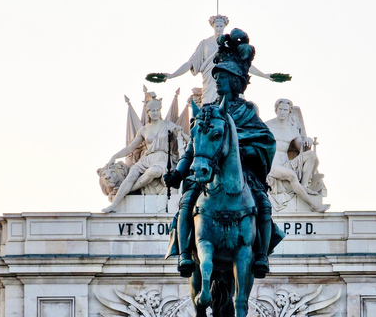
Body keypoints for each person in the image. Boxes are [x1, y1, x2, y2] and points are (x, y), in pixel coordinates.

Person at [165, 29, 283, 279]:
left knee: (262, 203)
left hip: (243, 174)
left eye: (223, 76)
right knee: (186, 202)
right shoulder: (207, 111)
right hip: (207, 173)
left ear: (236, 81)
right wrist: (178, 172)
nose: (217, 81)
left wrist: (241, 151)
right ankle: (185, 252)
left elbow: (266, 142)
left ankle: (261, 255)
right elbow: (193, 147)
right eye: (216, 76)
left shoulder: (248, 111)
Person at [161, 15, 273, 104]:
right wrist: (172, 75)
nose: (219, 29)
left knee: (233, 109)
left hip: (229, 82)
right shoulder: (205, 44)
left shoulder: (229, 44)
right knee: (209, 112)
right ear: (213, 26)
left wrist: (264, 75)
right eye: (217, 26)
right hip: (210, 82)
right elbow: (191, 63)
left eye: (221, 26)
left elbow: (244, 65)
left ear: (225, 26)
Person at [102, 93, 182, 213]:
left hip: (162, 158)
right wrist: (115, 156)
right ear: (147, 112)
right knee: (132, 174)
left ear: (160, 110)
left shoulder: (168, 125)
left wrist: (183, 134)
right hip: (147, 159)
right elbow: (130, 148)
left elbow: (184, 137)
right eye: (152, 110)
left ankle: (128, 191)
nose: (155, 113)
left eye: (157, 110)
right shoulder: (144, 130)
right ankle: (114, 205)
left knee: (153, 172)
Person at [266, 99, 329, 212]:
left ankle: (304, 186)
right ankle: (313, 205)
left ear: (289, 112)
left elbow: (302, 149)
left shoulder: (292, 130)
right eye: (280, 109)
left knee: (311, 155)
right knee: (291, 175)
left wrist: (308, 140)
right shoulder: (267, 125)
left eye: (285, 110)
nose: (282, 112)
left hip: (285, 164)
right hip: (271, 165)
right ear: (276, 110)